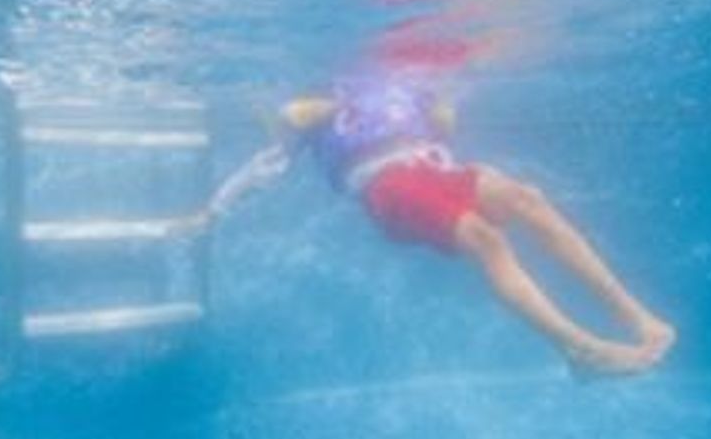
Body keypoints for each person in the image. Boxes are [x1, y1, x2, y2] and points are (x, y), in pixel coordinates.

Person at [208, 69, 676, 374]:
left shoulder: (409, 85)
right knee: (484, 238)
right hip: (385, 185)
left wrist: (438, 109)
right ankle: (579, 349)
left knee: (529, 200)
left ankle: (634, 316)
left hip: (433, 168)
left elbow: (440, 123)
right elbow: (270, 161)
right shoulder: (318, 104)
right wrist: (214, 209)